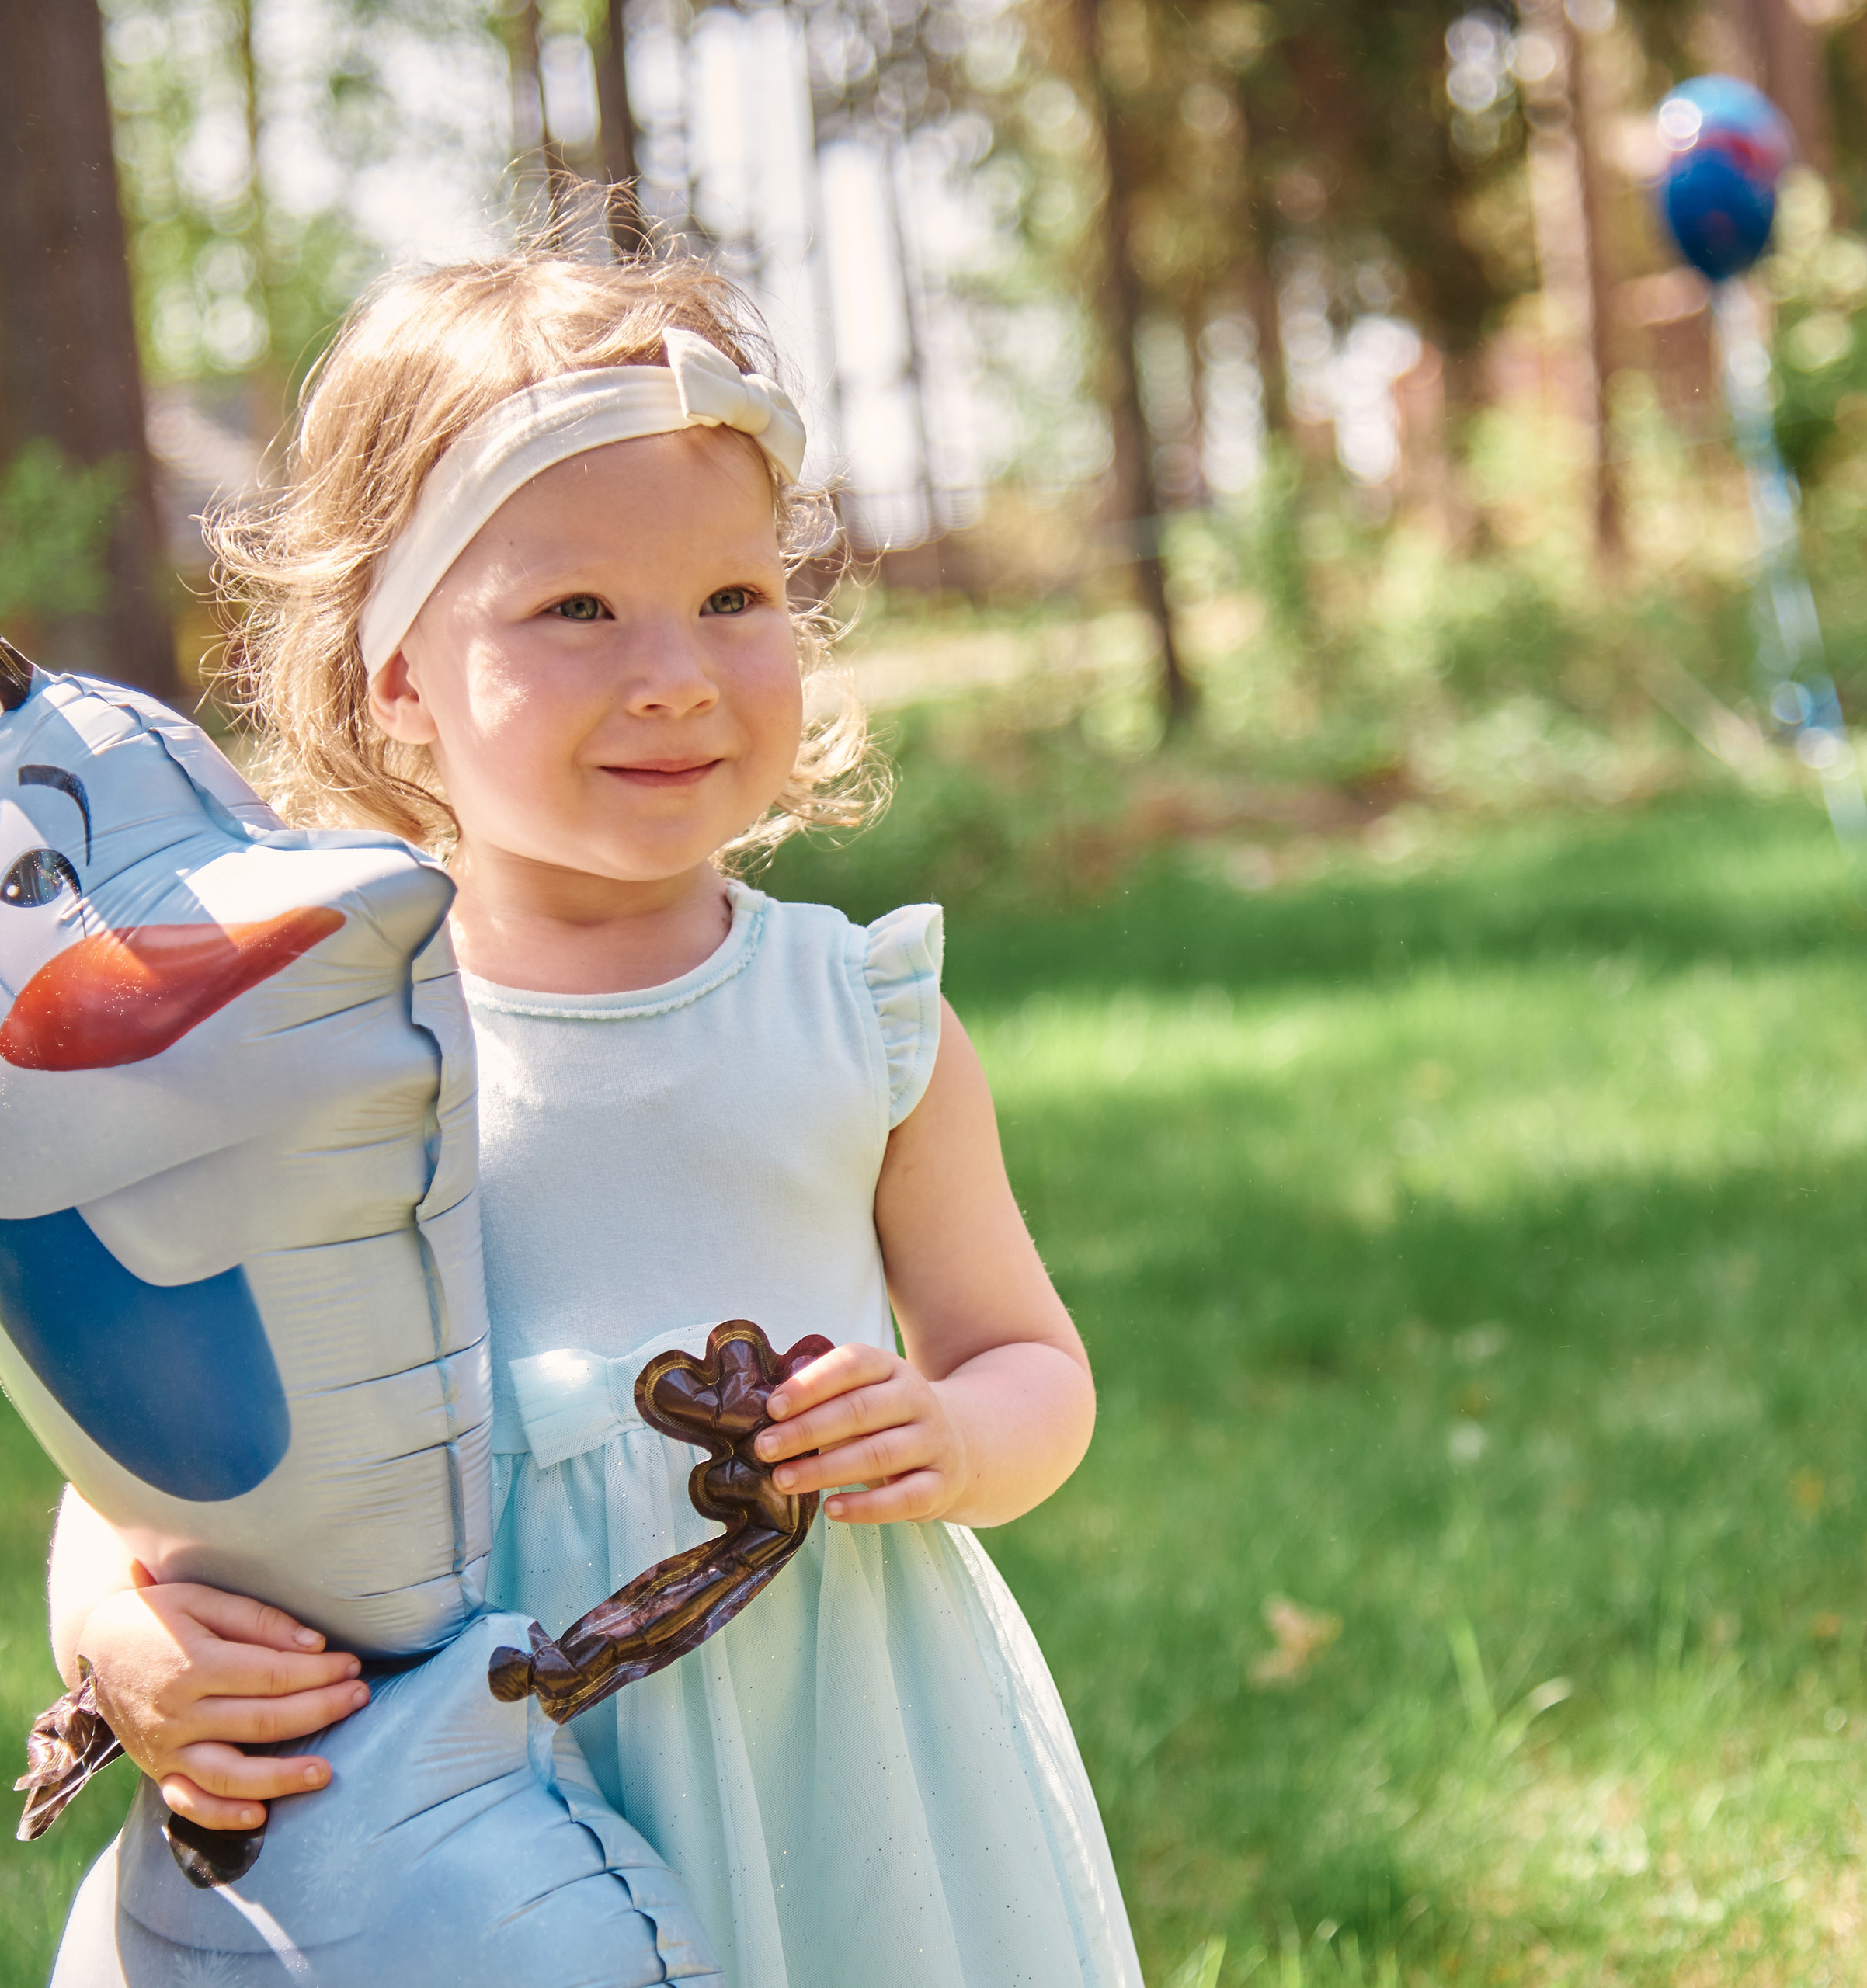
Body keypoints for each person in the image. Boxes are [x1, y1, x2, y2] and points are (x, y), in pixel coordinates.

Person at [46, 249, 1142, 1988]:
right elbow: (166, 1446)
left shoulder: (861, 1019)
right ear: (397, 672)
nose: (676, 674)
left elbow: (1033, 1365)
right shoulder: (318, 1051)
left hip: (823, 1752)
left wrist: (946, 1428)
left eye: (733, 595)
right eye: (576, 610)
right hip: (429, 1810)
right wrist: (116, 1628)